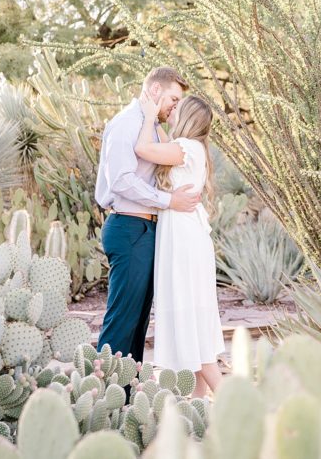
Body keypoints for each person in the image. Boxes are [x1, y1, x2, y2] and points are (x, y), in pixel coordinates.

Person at [94, 67, 201, 363]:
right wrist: (169, 201)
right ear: (155, 91)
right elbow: (121, 180)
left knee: (138, 324)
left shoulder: (151, 127)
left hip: (146, 231)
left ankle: (126, 399)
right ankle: (101, 398)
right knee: (121, 321)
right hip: (129, 227)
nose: (175, 106)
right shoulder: (127, 123)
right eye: (173, 99)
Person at [134, 92, 225, 397]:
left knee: (191, 329)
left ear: (187, 117)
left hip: (184, 242)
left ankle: (237, 407)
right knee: (192, 324)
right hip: (186, 236)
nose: (172, 109)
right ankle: (198, 410)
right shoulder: (192, 149)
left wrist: (148, 116)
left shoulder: (186, 148)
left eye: (178, 107)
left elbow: (143, 148)